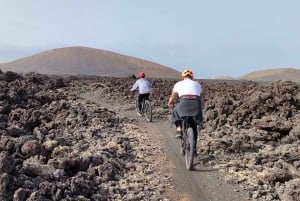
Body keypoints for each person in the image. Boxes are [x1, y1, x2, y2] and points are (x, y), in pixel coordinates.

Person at [167, 69, 204, 146]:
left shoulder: (178, 84)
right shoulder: (197, 84)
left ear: (183, 77)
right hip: (195, 105)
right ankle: (194, 148)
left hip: (184, 103)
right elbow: (201, 99)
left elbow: (172, 97)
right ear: (192, 77)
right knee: (194, 126)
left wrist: (170, 103)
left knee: (175, 111)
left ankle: (179, 129)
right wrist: (200, 107)